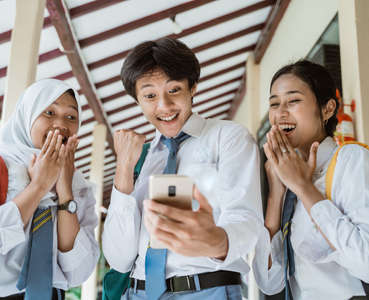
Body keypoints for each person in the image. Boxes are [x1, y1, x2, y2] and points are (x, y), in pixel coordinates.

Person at [102, 37, 263, 300]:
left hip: (206, 290)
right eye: (150, 95)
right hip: (138, 293)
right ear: (137, 100)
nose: (164, 106)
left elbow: (246, 218)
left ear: (193, 88)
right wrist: (123, 169)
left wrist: (216, 240)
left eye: (174, 90)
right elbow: (119, 259)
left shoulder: (228, 138)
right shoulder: (140, 159)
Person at [0, 79, 99, 299]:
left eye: (71, 117)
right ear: (27, 114)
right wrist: (39, 187)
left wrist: (65, 190)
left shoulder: (78, 187)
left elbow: (77, 274)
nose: (61, 124)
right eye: (49, 112)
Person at [252, 60, 369, 299]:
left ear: (327, 109)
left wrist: (304, 188)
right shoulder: (285, 180)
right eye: (274, 104)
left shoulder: (351, 160)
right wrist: (276, 192)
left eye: (293, 101)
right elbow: (269, 283)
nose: (280, 113)